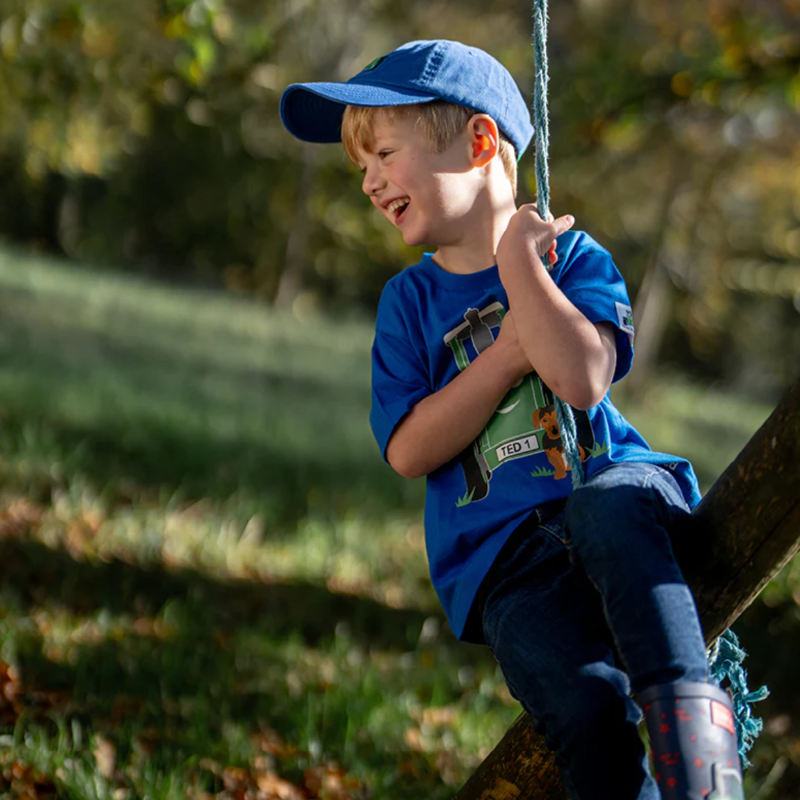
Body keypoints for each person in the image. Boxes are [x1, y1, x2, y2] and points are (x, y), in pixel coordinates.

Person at [280, 39, 745, 800]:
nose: (368, 181)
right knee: (585, 705)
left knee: (601, 512)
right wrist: (498, 361)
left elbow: (582, 378)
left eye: (384, 153)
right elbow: (407, 450)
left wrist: (522, 267)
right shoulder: (409, 305)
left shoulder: (570, 256)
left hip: (616, 495)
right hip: (503, 567)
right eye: (359, 166)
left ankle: (697, 755)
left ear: (480, 143)